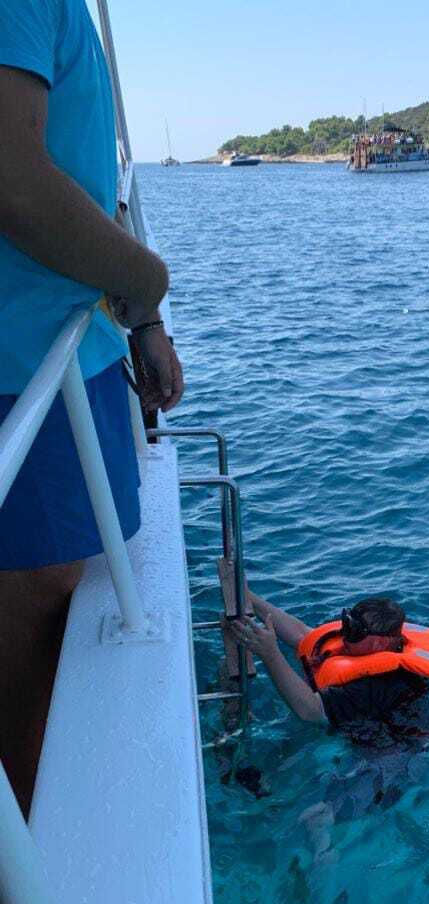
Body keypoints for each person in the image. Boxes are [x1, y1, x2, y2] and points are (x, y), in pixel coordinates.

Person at [0, 0, 184, 819]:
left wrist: (141, 321)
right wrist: (147, 281)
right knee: (37, 596)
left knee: (66, 586)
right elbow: (14, 177)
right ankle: (25, 867)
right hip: (26, 364)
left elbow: (80, 179)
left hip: (72, 350)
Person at [227, 593, 429, 732]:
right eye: (346, 625)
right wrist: (248, 597)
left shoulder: (378, 683)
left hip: (388, 750)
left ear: (380, 643)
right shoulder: (361, 643)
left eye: (354, 632)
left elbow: (311, 712)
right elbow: (302, 635)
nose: (345, 636)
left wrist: (270, 653)